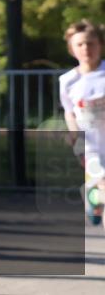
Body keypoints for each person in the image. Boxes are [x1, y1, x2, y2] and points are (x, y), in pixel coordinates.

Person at [59, 19, 105, 227]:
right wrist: (74, 135)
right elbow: (70, 112)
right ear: (71, 49)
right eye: (80, 44)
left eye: (91, 43)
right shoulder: (68, 81)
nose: (86, 48)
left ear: (100, 45)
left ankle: (93, 196)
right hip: (89, 147)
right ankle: (94, 194)